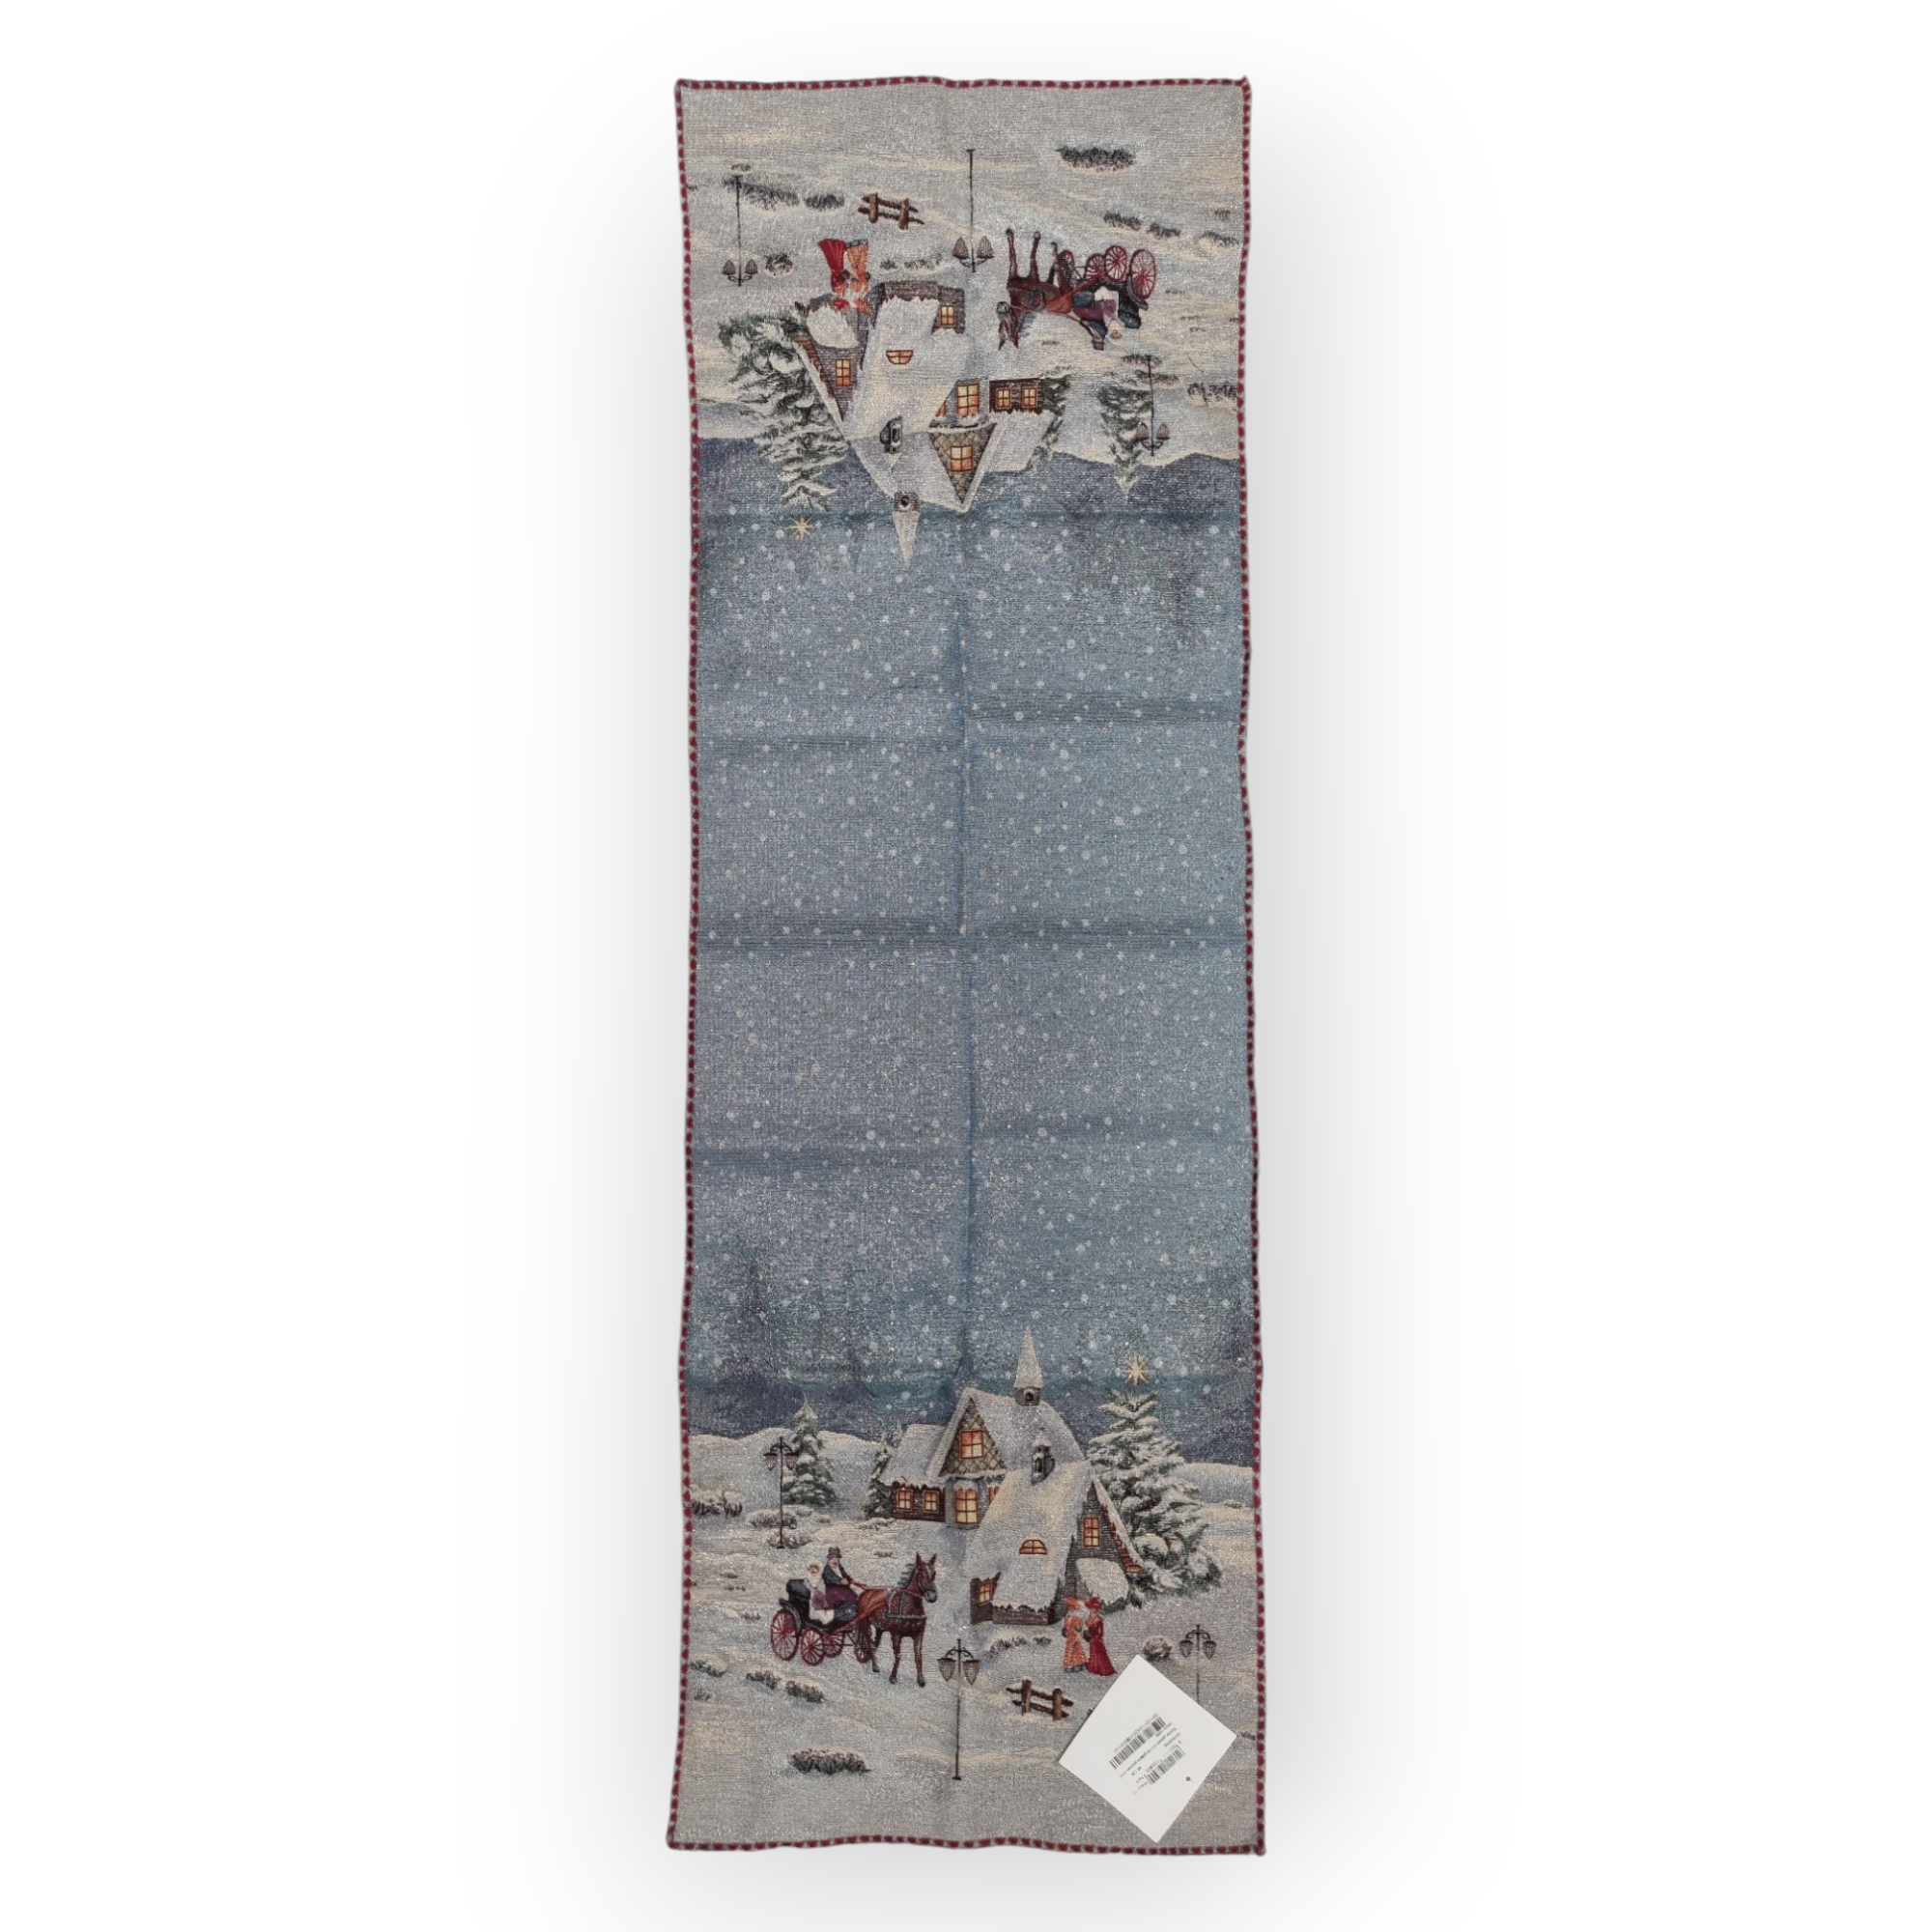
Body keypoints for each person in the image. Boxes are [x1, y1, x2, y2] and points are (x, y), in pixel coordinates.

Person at [820, 1547, 860, 1624]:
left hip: (843, 1590)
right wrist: (840, 1581)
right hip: (833, 1592)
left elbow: (845, 1575)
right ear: (829, 1559)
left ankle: (852, 1613)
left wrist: (850, 1580)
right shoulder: (827, 1569)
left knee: (854, 1597)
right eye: (832, 1558)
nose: (835, 1560)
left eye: (837, 1558)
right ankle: (841, 1616)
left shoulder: (839, 1567)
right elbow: (831, 1579)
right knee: (844, 1600)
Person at [1083, 1598, 1117, 1677]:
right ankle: (1094, 1668)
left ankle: (1102, 1669)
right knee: (1093, 1653)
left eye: (1094, 1609)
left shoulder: (1099, 1620)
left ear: (1097, 1610)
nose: (1093, 1610)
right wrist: (1087, 1636)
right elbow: (1088, 1629)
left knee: (1099, 1654)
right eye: (1091, 1609)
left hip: (1097, 1640)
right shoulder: (1089, 1618)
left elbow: (1101, 1633)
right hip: (1091, 1640)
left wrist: (1096, 1638)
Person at [1062, 1599, 1090, 1671]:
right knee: (1073, 1650)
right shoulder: (1067, 1617)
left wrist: (1078, 1632)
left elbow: (1080, 1627)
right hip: (1070, 1636)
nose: (1070, 1609)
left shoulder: (1077, 1618)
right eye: (1069, 1608)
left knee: (1073, 1649)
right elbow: (1066, 1626)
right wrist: (1065, 1630)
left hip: (1075, 1636)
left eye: (1072, 1608)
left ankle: (1075, 1664)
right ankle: (1076, 1663)